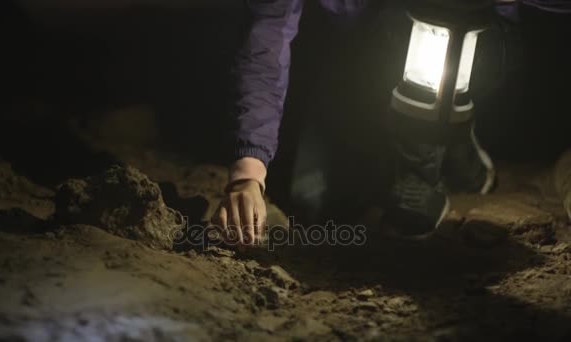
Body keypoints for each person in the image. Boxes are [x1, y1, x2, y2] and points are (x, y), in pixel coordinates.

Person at [211, 0, 571, 245]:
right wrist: (249, 172)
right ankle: (454, 152)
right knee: (312, 202)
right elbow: (266, 42)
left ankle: (424, 166)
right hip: (367, 59)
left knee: (427, 18)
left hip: (476, 40)